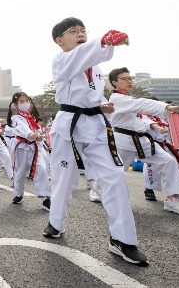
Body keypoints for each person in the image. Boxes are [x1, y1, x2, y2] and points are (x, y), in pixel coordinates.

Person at [44, 17, 149, 266]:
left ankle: (122, 239)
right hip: (69, 124)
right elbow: (84, 56)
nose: (80, 34)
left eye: (83, 31)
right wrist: (103, 41)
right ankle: (55, 222)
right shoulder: (62, 60)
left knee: (115, 177)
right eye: (73, 31)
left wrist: (102, 104)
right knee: (64, 179)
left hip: (96, 124)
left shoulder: (95, 67)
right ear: (60, 41)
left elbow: (90, 92)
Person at [107, 68, 179, 214]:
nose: (129, 81)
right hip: (123, 141)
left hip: (141, 139)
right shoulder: (117, 99)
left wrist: (156, 125)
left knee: (168, 161)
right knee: (116, 172)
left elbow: (141, 118)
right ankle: (105, 195)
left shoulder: (128, 99)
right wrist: (166, 106)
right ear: (114, 82)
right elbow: (142, 104)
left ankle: (171, 198)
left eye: (130, 78)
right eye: (124, 78)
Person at [6, 92, 51, 210]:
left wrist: (39, 134)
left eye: (26, 100)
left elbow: (37, 128)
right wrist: (31, 134)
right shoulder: (15, 118)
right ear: (16, 104)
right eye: (21, 101)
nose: (25, 103)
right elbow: (22, 128)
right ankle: (18, 194)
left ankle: (46, 198)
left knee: (41, 169)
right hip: (21, 147)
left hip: (34, 147)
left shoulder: (31, 117)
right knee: (20, 173)